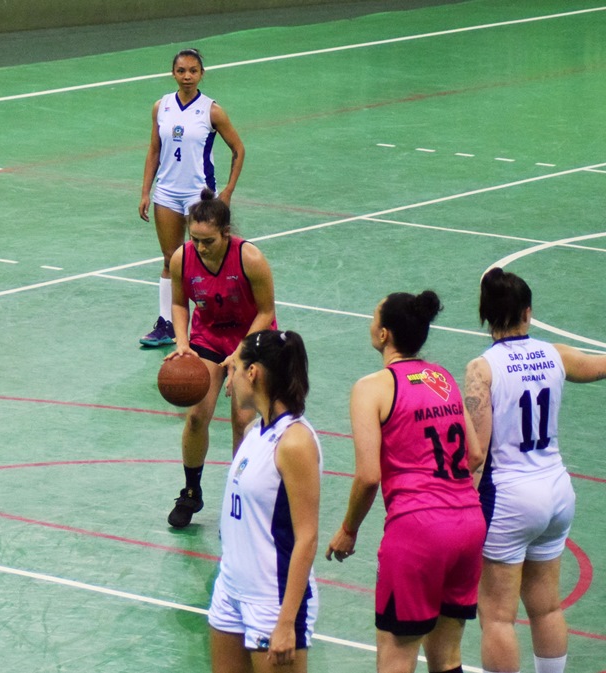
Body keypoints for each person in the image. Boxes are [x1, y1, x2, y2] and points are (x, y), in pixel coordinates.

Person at [325, 291, 485, 673]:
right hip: (469, 525)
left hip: (418, 531)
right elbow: (476, 454)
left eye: (373, 318)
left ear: (384, 334)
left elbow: (368, 477)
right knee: (447, 657)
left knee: (396, 658)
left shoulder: (372, 388)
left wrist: (348, 529)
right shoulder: (443, 378)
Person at [464, 268, 606, 673]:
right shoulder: (555, 354)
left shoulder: (482, 369)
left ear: (484, 315)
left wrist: (463, 506)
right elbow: (600, 366)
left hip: (510, 499)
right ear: (528, 312)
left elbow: (477, 453)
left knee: (497, 617)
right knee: (546, 607)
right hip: (557, 492)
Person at [209, 329, 321, 673]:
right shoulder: (253, 432)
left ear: (253, 373)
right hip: (231, 588)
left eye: (234, 368)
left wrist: (286, 622)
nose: (229, 379)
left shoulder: (294, 442)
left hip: (272, 600)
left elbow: (307, 537)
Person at [164, 188, 276, 528]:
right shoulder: (182, 258)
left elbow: (266, 311)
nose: (200, 247)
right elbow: (180, 303)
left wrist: (240, 355)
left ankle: (240, 494)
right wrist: (182, 342)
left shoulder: (249, 258)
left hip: (251, 338)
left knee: (242, 421)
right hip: (209, 336)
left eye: (208, 241)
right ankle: (191, 491)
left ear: (226, 233)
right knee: (197, 416)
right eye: (195, 239)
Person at [137, 48, 245, 348]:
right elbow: (154, 151)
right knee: (170, 259)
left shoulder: (212, 110)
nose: (187, 76)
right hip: (167, 193)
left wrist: (227, 191)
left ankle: (215, 320)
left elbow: (238, 149)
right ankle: (166, 324)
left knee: (206, 256)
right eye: (181, 71)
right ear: (173, 73)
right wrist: (146, 191)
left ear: (201, 74)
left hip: (200, 196)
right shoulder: (161, 107)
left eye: (193, 71)